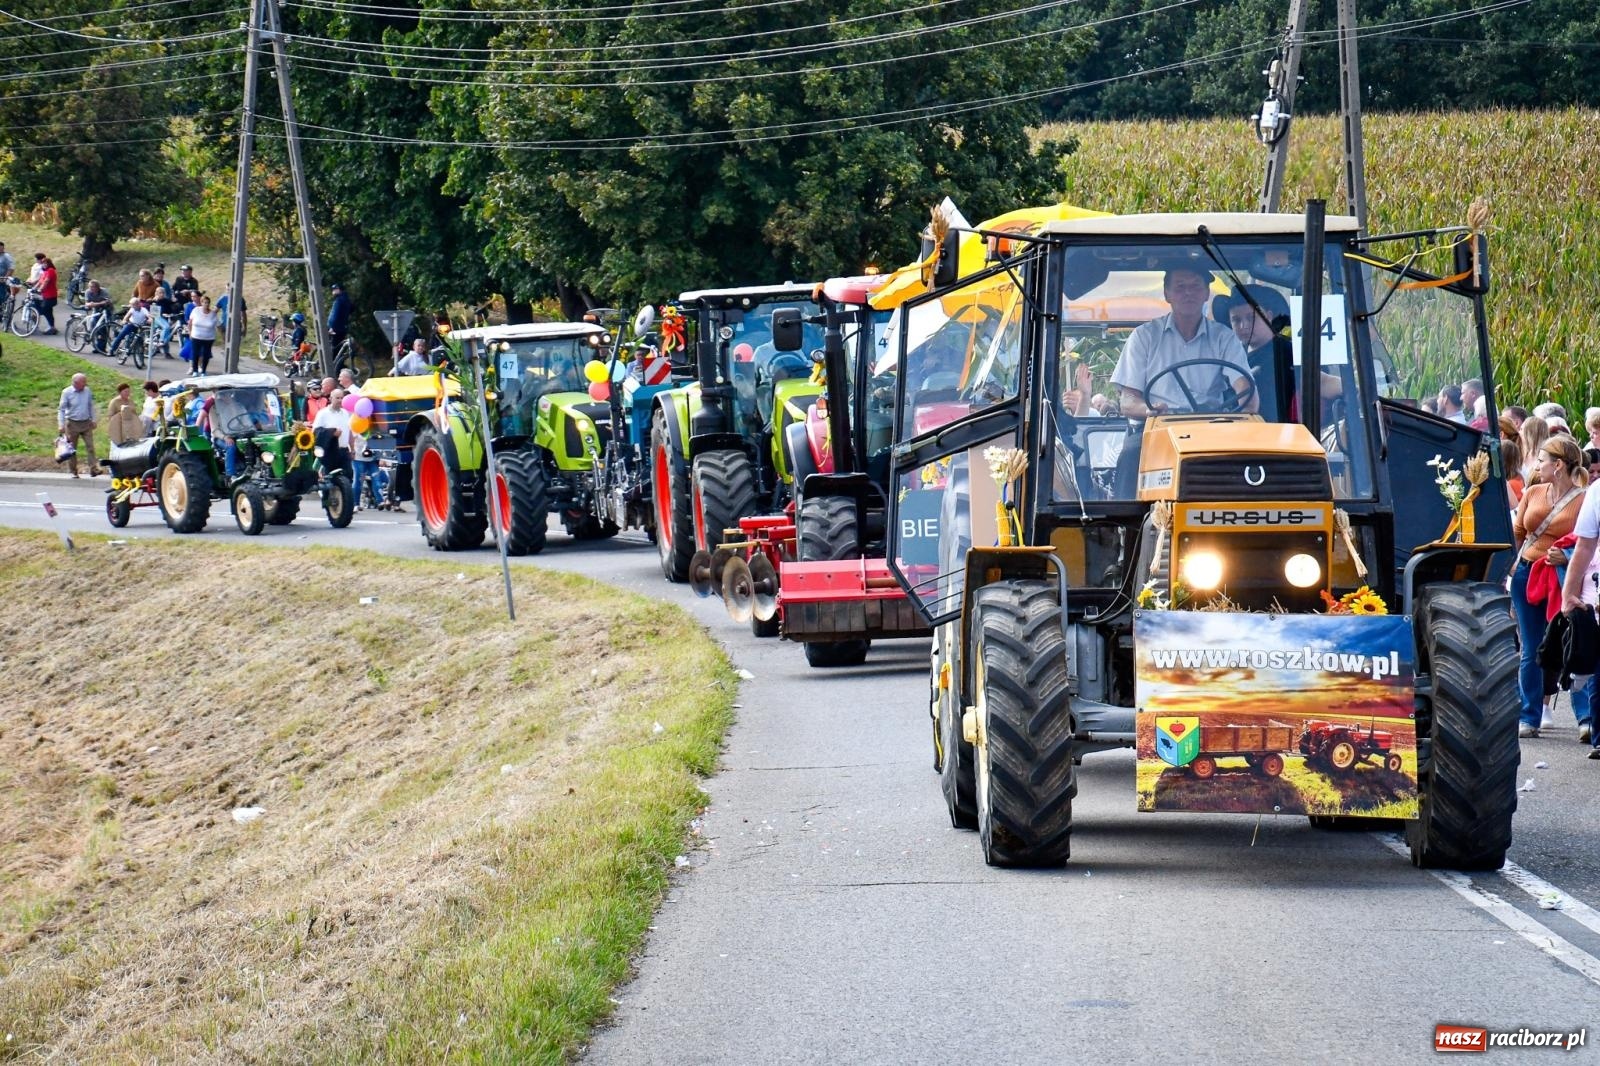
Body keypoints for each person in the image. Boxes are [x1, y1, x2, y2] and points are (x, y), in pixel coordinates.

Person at [1511, 436, 1588, 738]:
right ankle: (1528, 716)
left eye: (1542, 459)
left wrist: (1566, 556)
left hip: (1565, 577)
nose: (1537, 464)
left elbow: (1590, 541)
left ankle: (1585, 718)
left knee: (1573, 642)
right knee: (1530, 648)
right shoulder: (1532, 492)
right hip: (1527, 575)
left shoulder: (1585, 499)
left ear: (1558, 465)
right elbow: (1518, 533)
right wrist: (1511, 565)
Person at [1111, 267, 1256, 418]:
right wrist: (1149, 410)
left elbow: (1244, 387)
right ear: (1167, 294)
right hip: (1155, 424)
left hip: (1209, 426)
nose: (1188, 293)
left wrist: (1246, 412)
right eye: (1180, 287)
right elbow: (1128, 402)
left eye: (1195, 286)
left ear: (1206, 293)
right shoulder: (1144, 336)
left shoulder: (1224, 338)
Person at [57, 373, 100, 477]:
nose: (85, 384)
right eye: (83, 382)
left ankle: (93, 469)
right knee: (72, 449)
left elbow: (91, 406)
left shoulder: (87, 391)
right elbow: (61, 410)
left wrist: (94, 419)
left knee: (90, 447)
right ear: (75, 383)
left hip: (86, 423)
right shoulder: (66, 392)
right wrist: (61, 424)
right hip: (72, 423)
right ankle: (73, 471)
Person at [312, 387, 353, 474]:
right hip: (330, 452)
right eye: (337, 398)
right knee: (331, 478)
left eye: (342, 398)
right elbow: (315, 431)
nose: (340, 400)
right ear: (330, 399)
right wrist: (331, 432)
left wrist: (352, 449)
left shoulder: (345, 413)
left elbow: (349, 432)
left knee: (348, 476)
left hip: (344, 450)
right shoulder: (323, 413)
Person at [188, 294, 219, 375]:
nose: (206, 304)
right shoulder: (196, 310)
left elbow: (217, 325)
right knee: (196, 353)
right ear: (201, 303)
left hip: (208, 338)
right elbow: (190, 322)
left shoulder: (213, 314)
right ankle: (195, 370)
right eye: (205, 302)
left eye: (208, 303)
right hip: (196, 336)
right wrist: (190, 332)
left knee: (206, 354)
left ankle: (203, 370)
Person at [326, 283, 353, 356]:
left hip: (335, 329)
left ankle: (334, 366)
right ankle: (340, 365)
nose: (333, 291)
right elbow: (351, 310)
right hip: (342, 328)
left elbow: (335, 316)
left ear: (339, 290)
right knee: (340, 348)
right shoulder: (347, 299)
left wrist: (332, 327)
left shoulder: (339, 301)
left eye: (335, 289)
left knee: (334, 349)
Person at [36, 255, 59, 334]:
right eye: (42, 263)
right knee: (48, 311)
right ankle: (52, 328)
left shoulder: (50, 270)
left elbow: (46, 281)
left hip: (50, 296)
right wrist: (33, 287)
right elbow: (40, 281)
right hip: (45, 296)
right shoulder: (45, 272)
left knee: (42, 310)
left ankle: (36, 324)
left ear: (49, 263)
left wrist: (40, 289)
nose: (44, 264)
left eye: (46, 263)